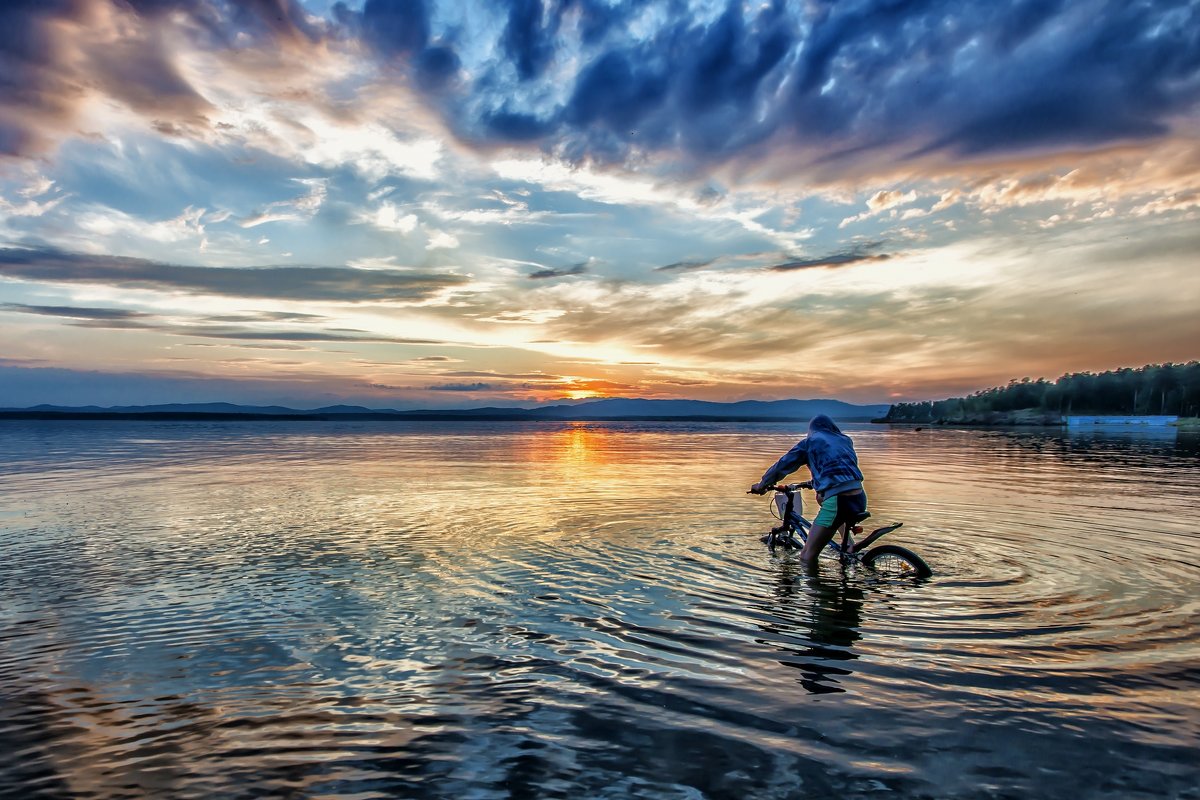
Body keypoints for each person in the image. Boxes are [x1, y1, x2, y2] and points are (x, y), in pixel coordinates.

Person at [749, 414, 868, 563]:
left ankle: (816, 585)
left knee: (806, 556)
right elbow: (839, 471)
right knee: (821, 498)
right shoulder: (845, 440)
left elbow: (782, 466)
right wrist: (814, 483)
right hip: (859, 497)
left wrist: (762, 485)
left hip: (839, 501)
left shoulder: (810, 442)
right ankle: (849, 545)